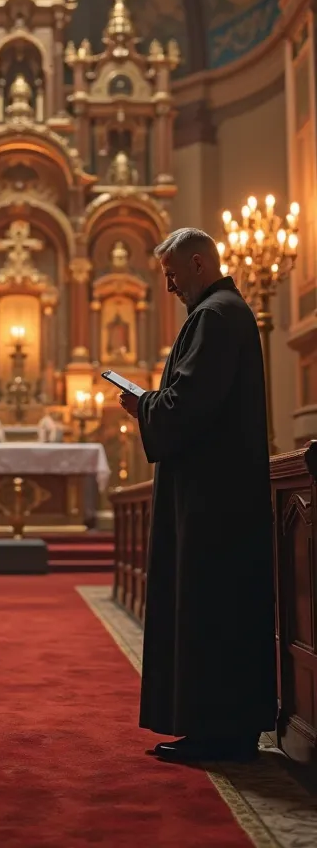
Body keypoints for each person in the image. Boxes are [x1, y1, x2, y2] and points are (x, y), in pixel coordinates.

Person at [118, 228, 277, 764]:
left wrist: (144, 405)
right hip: (217, 490)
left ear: (197, 263)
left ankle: (219, 733)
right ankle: (218, 727)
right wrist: (153, 404)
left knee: (211, 608)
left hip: (213, 501)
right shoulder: (223, 311)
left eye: (171, 275)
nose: (168, 287)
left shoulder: (214, 315)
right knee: (215, 608)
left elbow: (189, 403)